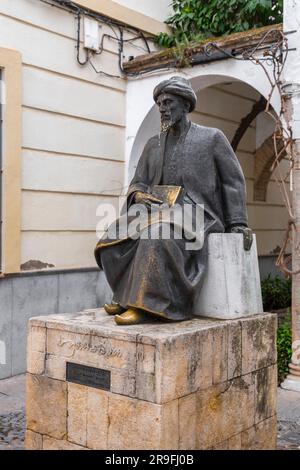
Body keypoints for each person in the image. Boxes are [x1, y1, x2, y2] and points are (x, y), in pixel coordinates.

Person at [95, 76, 252, 325]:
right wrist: (138, 195)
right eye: (159, 104)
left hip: (199, 213)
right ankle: (125, 295)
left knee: (157, 236)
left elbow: (232, 181)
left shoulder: (211, 138)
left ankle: (146, 304)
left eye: (168, 102)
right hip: (157, 210)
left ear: (185, 104)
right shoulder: (153, 145)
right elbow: (139, 182)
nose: (163, 108)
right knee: (114, 234)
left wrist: (237, 222)